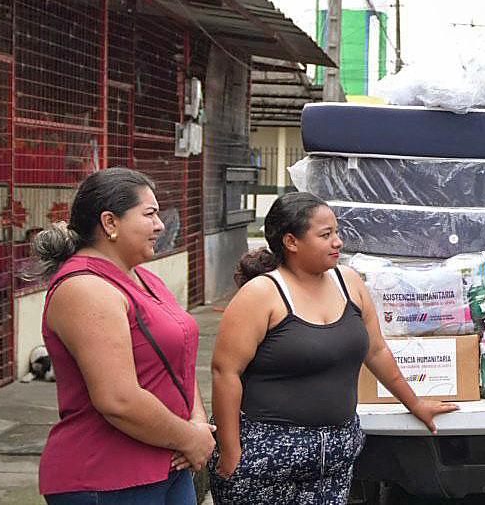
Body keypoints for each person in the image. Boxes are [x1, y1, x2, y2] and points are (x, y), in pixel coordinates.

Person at [208, 191, 459, 504]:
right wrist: (231, 451)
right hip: (266, 453)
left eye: (337, 232)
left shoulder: (349, 282)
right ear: (291, 242)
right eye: (325, 235)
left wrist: (415, 403)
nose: (338, 242)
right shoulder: (262, 294)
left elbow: (376, 351)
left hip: (335, 452)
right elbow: (225, 372)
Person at [34, 167, 213, 504]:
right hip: (107, 476)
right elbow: (118, 399)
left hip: (168, 463)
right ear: (110, 223)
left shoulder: (144, 278)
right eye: (149, 214)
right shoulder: (85, 288)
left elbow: (180, 359)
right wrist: (189, 438)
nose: (160, 225)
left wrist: (198, 424)